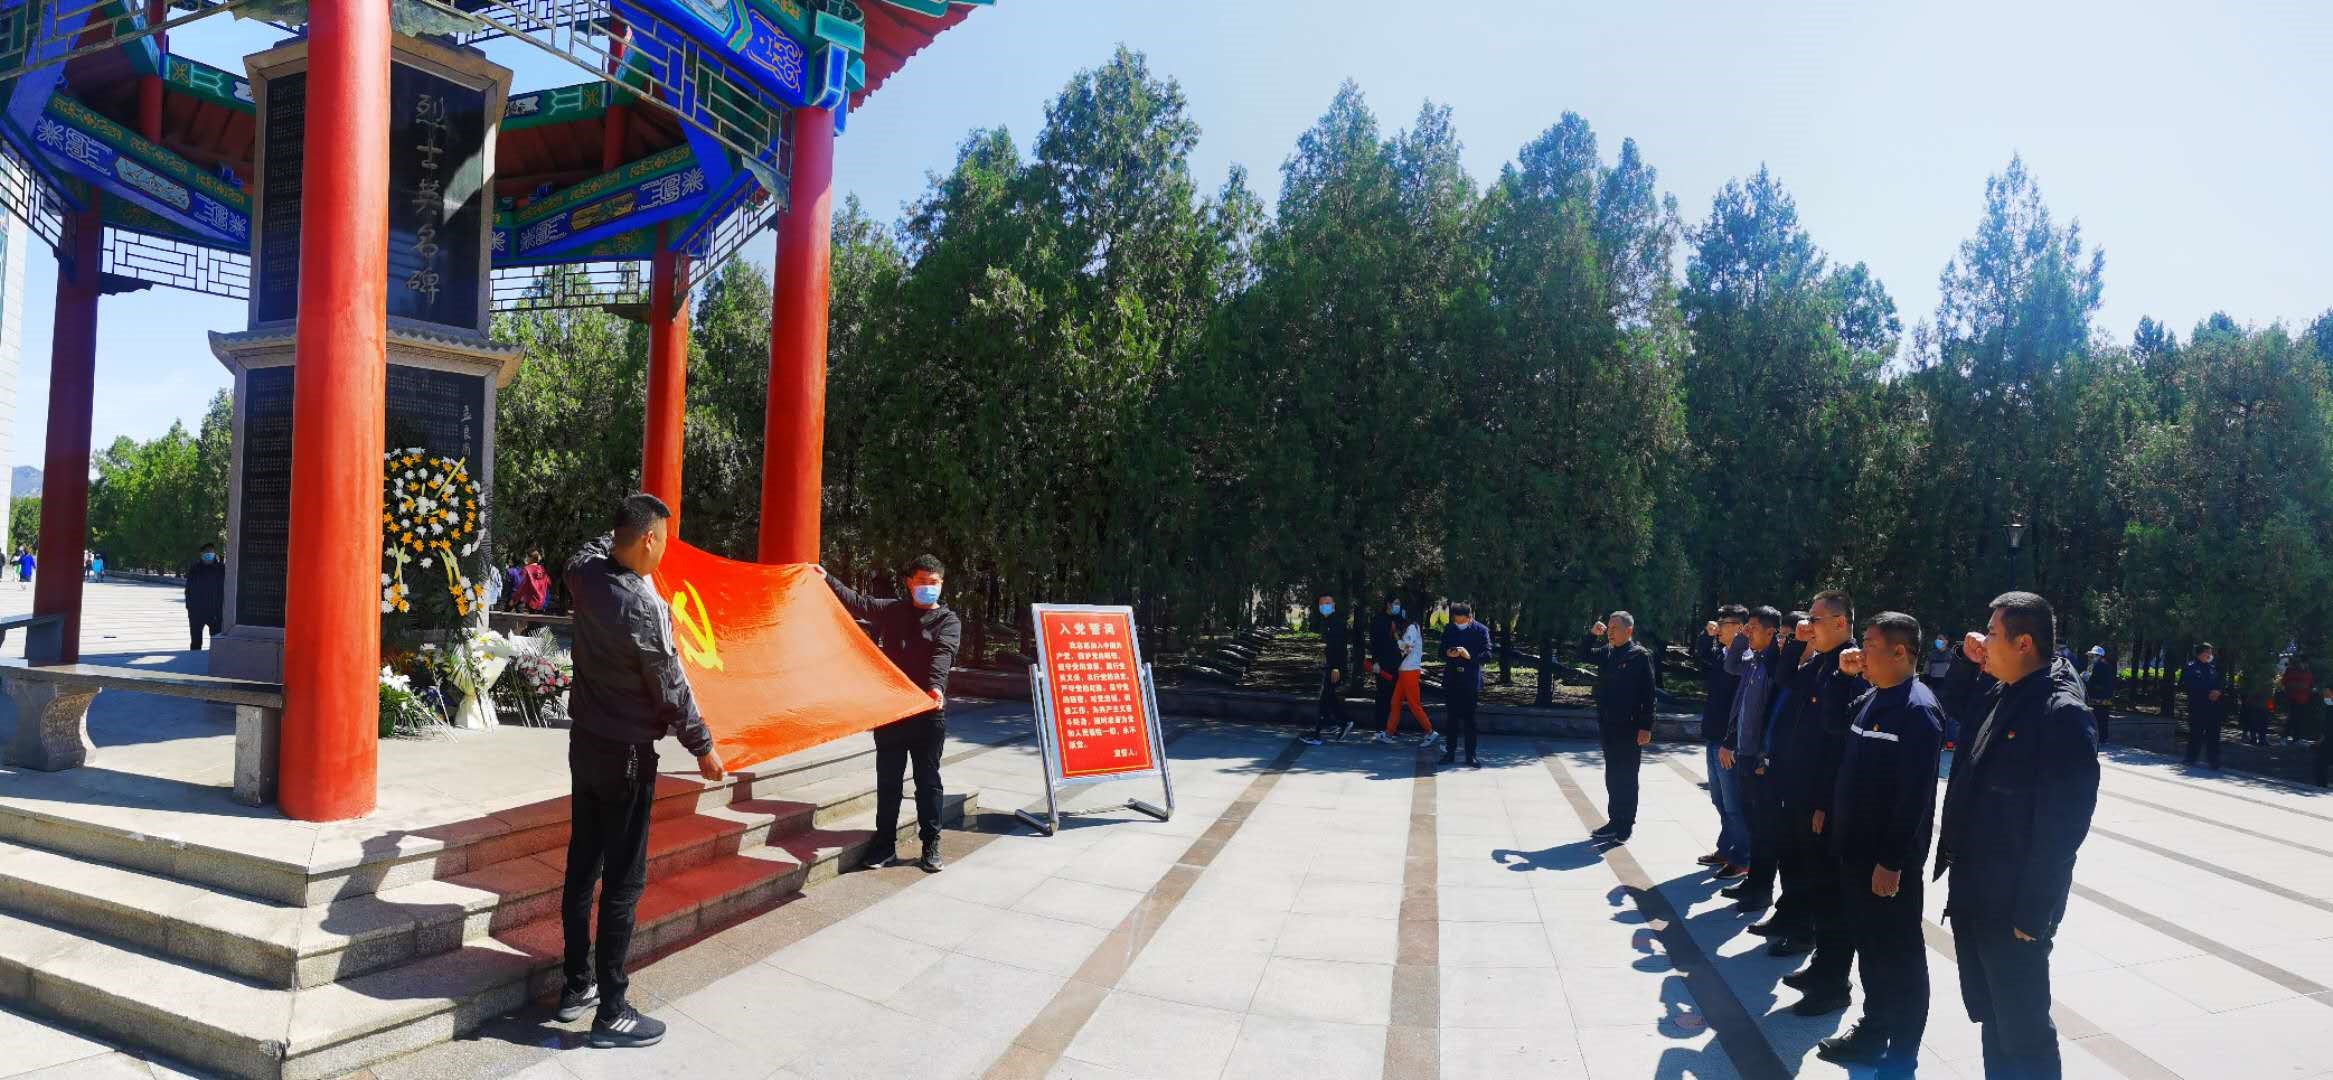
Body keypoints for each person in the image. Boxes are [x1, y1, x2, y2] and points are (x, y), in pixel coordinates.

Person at [558, 493, 726, 1048]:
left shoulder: (584, 574)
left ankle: (575, 985)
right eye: (664, 542)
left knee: (582, 865)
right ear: (649, 539)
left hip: (586, 744)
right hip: (628, 754)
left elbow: (589, 547)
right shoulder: (642, 606)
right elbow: (670, 687)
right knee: (623, 882)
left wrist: (617, 533)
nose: (664, 554)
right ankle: (612, 1011)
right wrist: (703, 746)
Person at [1934, 591, 2099, 1079]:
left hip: (2014, 905)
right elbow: (1954, 706)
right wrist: (1966, 661)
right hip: (1977, 888)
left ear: (2024, 642)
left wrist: (2034, 910)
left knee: (2023, 1027)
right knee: (1992, 1012)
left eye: (1992, 633)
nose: (1984, 640)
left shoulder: (2059, 712)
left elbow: (2064, 827)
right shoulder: (2005, 689)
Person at [1815, 612, 1945, 1078]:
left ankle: (1902, 1053)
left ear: (1900, 651)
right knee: (1872, 950)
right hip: (1855, 854)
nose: (1859, 651)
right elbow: (1832, 724)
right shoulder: (1873, 696)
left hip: (1886, 864)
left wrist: (1891, 861)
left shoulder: (1917, 710)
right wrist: (1840, 676)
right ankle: (1873, 1033)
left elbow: (1914, 799)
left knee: (1900, 956)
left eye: (1868, 644)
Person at [1754, 589, 1865, 1004]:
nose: (1807, 624)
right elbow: (1784, 679)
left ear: (1840, 622)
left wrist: (1823, 802)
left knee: (1823, 883)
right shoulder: (1820, 661)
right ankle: (1801, 933)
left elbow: (1838, 744)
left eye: (1814, 620)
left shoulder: (1849, 666)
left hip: (1818, 794)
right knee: (1795, 862)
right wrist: (1797, 644)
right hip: (1794, 785)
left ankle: (1819, 955)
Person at [819, 555, 961, 872]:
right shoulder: (894, 610)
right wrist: (825, 577)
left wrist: (936, 687)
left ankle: (931, 844)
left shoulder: (949, 621)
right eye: (922, 581)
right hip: (892, 712)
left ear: (942, 584)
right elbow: (858, 603)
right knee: (888, 782)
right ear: (909, 582)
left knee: (928, 783)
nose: (928, 587)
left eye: (934, 582)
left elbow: (943, 654)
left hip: (928, 712)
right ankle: (884, 845)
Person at [1720, 606, 1786, 911]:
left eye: (1754, 628)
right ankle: (1752, 882)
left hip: (1759, 758)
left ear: (1771, 632)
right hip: (1744, 753)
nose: (1749, 632)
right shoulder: (1753, 659)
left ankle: (1762, 890)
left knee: (1763, 830)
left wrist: (1764, 755)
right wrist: (1740, 638)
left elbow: (1772, 716)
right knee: (1752, 824)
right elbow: (1731, 665)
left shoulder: (1774, 664)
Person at [1584, 612, 1656, 844]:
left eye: (1615, 628)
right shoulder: (1607, 652)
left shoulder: (1640, 656)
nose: (1610, 632)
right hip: (1608, 725)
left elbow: (1649, 694)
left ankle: (1626, 824)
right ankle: (1614, 820)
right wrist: (1591, 635)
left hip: (1631, 727)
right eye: (1609, 627)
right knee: (1612, 775)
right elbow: (1582, 654)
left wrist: (1646, 727)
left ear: (1629, 630)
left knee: (1627, 777)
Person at [1694, 606, 1750, 877]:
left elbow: (1743, 707)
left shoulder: (1745, 660)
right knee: (1719, 800)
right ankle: (1726, 849)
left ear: (1739, 628)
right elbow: (1701, 657)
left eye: (1723, 622)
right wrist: (1706, 636)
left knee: (1734, 805)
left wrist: (1730, 742)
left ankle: (1742, 858)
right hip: (1713, 737)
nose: (1718, 626)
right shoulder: (1723, 655)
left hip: (1729, 743)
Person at [1439, 603, 1492, 766]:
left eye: (1460, 619)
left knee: (1470, 720)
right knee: (1451, 719)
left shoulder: (1481, 630)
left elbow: (1488, 654)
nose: (1457, 621)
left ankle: (1471, 755)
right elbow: (1440, 651)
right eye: (1455, 618)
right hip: (1452, 679)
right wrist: (1448, 653)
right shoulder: (1449, 628)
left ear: (1468, 617)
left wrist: (1470, 656)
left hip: (1470, 680)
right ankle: (1450, 753)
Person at [1375, 609, 1434, 745]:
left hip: (1410, 671)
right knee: (1395, 702)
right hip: (1404, 670)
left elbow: (1407, 647)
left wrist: (1395, 639)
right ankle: (1389, 733)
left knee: (1414, 704)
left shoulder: (1412, 628)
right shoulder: (1411, 628)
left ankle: (1430, 731)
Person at [1301, 593, 1351, 746]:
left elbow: (1339, 647)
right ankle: (1337, 723)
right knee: (1328, 698)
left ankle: (1320, 734)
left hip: (1335, 666)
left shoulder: (1336, 623)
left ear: (1334, 605)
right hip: (1330, 665)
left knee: (1325, 699)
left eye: (1328, 603)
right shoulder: (1328, 622)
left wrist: (1336, 667)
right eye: (1322, 604)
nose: (1325, 606)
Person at [2180, 643, 2224, 768]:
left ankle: (2213, 761)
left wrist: (2218, 691)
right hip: (2198, 706)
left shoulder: (2212, 668)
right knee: (2196, 733)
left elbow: (2220, 682)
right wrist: (2207, 692)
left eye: (2211, 652)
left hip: (2213, 707)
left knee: (2214, 734)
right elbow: (2188, 684)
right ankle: (2190, 758)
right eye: (2207, 652)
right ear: (2200, 653)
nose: (2210, 655)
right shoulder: (2191, 667)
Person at [1369, 597, 1405, 738]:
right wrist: (1375, 661)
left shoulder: (1398, 620)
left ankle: (1392, 727)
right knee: (1383, 695)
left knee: (1394, 697)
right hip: (1383, 663)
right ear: (1388, 604)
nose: (1397, 606)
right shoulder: (1378, 620)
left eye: (1399, 604)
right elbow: (1374, 642)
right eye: (1395, 603)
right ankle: (1380, 727)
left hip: (1396, 663)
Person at [184, 544, 227, 651]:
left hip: (215, 613)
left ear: (214, 553)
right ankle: (194, 659)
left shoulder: (221, 569)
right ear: (201, 554)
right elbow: (188, 590)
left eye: (211, 551)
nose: (209, 553)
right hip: (197, 613)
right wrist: (190, 608)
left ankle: (216, 660)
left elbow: (226, 590)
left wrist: (222, 609)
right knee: (195, 643)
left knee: (217, 643)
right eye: (206, 551)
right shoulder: (194, 569)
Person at [2080, 645, 2114, 744]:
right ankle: (2103, 738)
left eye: (2093, 656)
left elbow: (2097, 683)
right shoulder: (2106, 665)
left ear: (2099, 656)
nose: (2092, 658)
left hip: (2098, 697)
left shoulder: (2099, 666)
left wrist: (2087, 680)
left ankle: (2099, 738)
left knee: (2098, 718)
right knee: (2103, 719)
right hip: (2106, 697)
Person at [2282, 657, 2315, 743]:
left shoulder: (2308, 673)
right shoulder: (2292, 671)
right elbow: (2286, 682)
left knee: (2300, 719)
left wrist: (2310, 689)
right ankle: (2284, 736)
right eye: (2303, 663)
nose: (2305, 665)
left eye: (2306, 663)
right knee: (2292, 718)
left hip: (2304, 699)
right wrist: (2299, 686)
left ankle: (2297, 738)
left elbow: (2310, 684)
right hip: (2293, 698)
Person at [516, 549, 553, 614]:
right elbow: (549, 583)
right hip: (542, 601)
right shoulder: (542, 569)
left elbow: (522, 586)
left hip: (532, 602)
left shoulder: (527, 569)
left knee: (532, 619)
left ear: (531, 558)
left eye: (526, 557)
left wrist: (515, 598)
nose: (526, 559)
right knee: (539, 619)